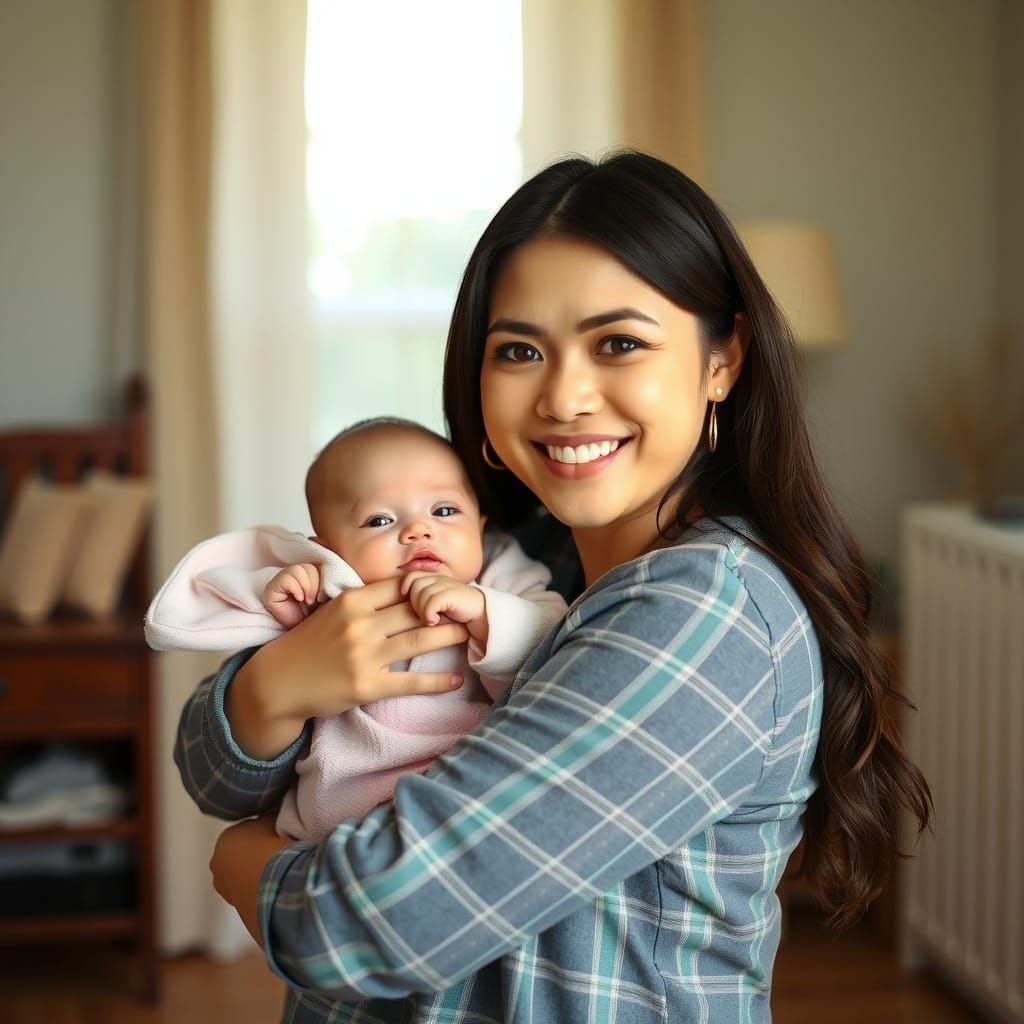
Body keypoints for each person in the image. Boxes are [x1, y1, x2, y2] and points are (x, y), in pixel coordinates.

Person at [175, 151, 931, 1023]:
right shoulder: (500, 557)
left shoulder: (705, 612)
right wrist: (277, 684)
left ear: (722, 360)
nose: (566, 397)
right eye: (521, 350)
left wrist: (243, 861)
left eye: (619, 343)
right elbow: (216, 770)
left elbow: (375, 920)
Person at [149, 418, 566, 839]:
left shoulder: (499, 579)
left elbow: (551, 637)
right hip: (337, 820)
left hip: (455, 807)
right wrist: (285, 596)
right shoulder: (334, 593)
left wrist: (483, 612)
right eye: (379, 520)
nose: (419, 530)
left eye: (444, 511)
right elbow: (251, 624)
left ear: (479, 527)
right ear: (329, 548)